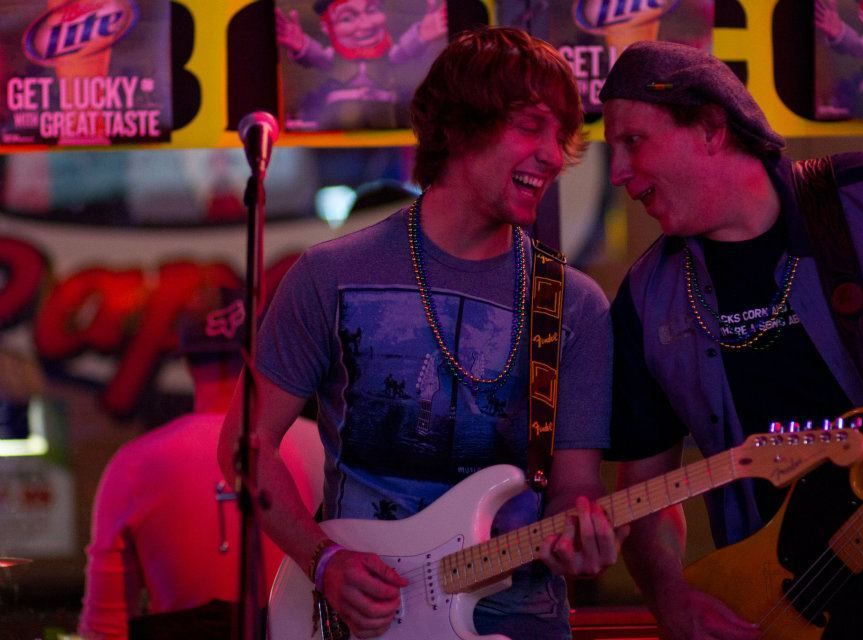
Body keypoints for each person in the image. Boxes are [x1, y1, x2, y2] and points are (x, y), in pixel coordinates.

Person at [218, 26, 623, 640]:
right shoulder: (331, 276)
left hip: (520, 621)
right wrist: (321, 561)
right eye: (529, 125)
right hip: (365, 618)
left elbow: (574, 488)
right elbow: (246, 447)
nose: (552, 152)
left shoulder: (575, 305)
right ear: (459, 126)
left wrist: (583, 536)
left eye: (560, 134)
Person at [600, 40, 863, 639]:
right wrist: (671, 598)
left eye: (632, 141)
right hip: (783, 616)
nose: (616, 173)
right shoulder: (646, 297)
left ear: (712, 128)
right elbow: (645, 496)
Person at [79, 288, 324, 640]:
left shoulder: (134, 465)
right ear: (261, 351)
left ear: (186, 361)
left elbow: (105, 628)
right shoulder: (320, 447)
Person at [275, 0, 447, 130]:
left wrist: (421, 36)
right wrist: (301, 45)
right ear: (326, 27)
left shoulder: (387, 59)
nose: (366, 25)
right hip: (336, 124)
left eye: (372, 11)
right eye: (347, 18)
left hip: (388, 117)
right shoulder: (334, 60)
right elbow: (318, 56)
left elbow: (401, 51)